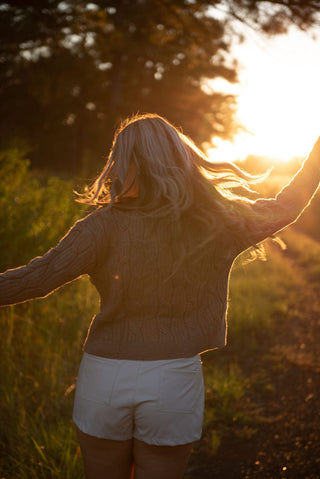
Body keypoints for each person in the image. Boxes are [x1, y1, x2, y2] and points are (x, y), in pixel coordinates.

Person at [0, 113, 319, 479]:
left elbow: (37, 278)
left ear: (120, 163)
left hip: (105, 376)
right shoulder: (217, 221)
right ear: (180, 158)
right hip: (173, 378)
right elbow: (287, 205)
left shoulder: (100, 226)